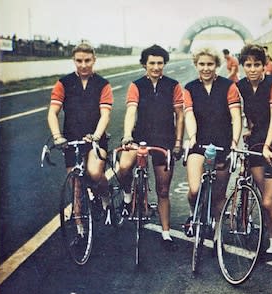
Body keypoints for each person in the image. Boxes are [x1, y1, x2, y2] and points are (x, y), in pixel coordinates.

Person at [117, 45, 184, 251]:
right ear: (144, 64)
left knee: (163, 190)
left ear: (164, 64)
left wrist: (178, 142)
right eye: (152, 63)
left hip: (165, 139)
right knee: (123, 168)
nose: (156, 67)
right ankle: (128, 196)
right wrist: (128, 135)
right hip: (140, 137)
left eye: (160, 63)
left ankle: (166, 234)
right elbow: (131, 111)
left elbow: (180, 115)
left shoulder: (173, 85)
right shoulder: (136, 85)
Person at [237, 44, 272, 273]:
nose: (252, 69)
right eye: (248, 65)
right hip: (255, 144)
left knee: (269, 202)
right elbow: (247, 114)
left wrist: (268, 145)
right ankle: (270, 245)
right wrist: (249, 131)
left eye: (256, 64)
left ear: (264, 65)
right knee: (263, 200)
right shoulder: (240, 86)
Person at [48, 43, 113, 225]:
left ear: (94, 60)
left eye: (87, 60)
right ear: (73, 61)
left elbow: (105, 115)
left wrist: (96, 136)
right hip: (71, 140)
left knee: (94, 173)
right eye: (79, 61)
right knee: (75, 186)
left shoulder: (103, 84)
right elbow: (53, 112)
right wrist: (57, 136)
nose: (83, 65)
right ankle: (80, 231)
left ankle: (105, 197)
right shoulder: (63, 83)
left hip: (95, 139)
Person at [183, 48, 242, 246]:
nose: (206, 68)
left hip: (222, 144)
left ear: (217, 65)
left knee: (218, 195)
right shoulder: (190, 87)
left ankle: (218, 229)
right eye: (202, 64)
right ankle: (193, 214)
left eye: (210, 64)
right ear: (196, 65)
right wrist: (192, 137)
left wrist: (234, 142)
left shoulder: (228, 86)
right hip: (199, 143)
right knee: (194, 189)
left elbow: (235, 116)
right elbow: (189, 114)